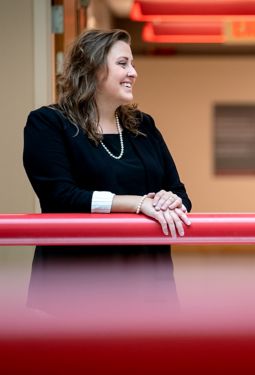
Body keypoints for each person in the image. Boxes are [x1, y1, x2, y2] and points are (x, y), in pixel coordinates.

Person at [23, 29, 191, 317]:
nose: (134, 73)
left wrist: (169, 199)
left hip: (149, 284)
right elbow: (59, 197)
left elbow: (180, 193)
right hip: (76, 286)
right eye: (123, 64)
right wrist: (136, 203)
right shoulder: (49, 124)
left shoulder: (143, 126)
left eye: (133, 64)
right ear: (92, 67)